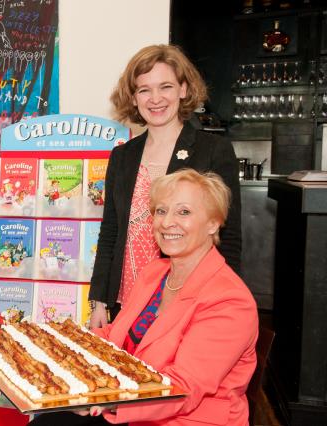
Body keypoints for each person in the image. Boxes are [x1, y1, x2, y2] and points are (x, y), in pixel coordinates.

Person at [30, 169, 258, 426]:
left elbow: (183, 388)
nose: (167, 222)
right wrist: (52, 343)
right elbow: (115, 339)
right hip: (132, 404)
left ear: (213, 223)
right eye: (161, 211)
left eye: (184, 212)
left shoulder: (229, 301)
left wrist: (104, 401)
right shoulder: (155, 273)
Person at [89, 44, 242, 328]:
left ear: (183, 89)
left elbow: (228, 236)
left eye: (166, 87)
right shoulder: (122, 156)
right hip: (126, 300)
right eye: (144, 90)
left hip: (187, 301)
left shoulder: (213, 151)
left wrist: (222, 307)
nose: (155, 99)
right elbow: (111, 231)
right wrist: (98, 300)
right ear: (133, 98)